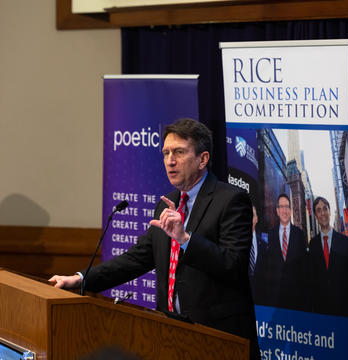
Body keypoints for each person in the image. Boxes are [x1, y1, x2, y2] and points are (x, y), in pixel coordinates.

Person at [49, 118, 260, 359]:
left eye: (179, 152)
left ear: (203, 159)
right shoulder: (166, 204)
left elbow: (234, 265)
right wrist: (81, 279)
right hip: (170, 335)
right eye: (166, 153)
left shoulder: (232, 200)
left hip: (218, 339)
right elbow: (138, 258)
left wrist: (185, 239)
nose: (170, 161)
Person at [261, 193, 308, 310]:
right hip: (275, 299)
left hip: (296, 298)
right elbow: (267, 268)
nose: (284, 210)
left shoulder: (300, 234)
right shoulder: (269, 235)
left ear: (290, 210)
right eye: (281, 207)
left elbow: (304, 268)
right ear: (277, 211)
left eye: (287, 207)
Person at [309, 196, 348, 317]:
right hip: (321, 313)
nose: (322, 213)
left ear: (329, 211)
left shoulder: (346, 242)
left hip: (345, 311)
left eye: (325, 208)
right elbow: (312, 279)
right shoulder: (312, 245)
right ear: (315, 216)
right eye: (318, 210)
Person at [248, 206, 267, 304]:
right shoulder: (236, 243)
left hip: (261, 300)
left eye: (252, 214)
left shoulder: (264, 245)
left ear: (256, 219)